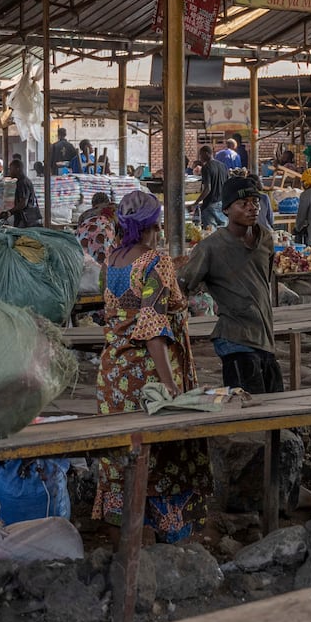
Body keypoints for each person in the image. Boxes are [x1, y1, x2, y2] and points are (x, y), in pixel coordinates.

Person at [93, 191, 211, 543]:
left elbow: (124, 305)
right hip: (148, 376)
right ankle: (169, 529)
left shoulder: (111, 260)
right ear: (154, 224)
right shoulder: (153, 263)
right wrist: (170, 387)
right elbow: (153, 329)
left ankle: (124, 527)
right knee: (163, 451)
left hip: (113, 377)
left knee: (122, 452)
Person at [178, 175, 282, 394]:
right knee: (249, 409)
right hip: (235, 340)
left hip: (264, 337)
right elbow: (182, 286)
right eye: (243, 204)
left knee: (275, 405)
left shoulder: (265, 239)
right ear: (226, 210)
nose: (252, 208)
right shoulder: (210, 248)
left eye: (255, 202)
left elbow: (265, 279)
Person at [75, 192, 118, 279]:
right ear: (108, 201)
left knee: (88, 263)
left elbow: (80, 230)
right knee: (105, 261)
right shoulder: (114, 210)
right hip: (105, 235)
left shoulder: (85, 214)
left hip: (85, 240)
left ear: (93, 204)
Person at [196, 146, 226, 229]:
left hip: (210, 204)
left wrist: (197, 202)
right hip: (222, 203)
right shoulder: (223, 166)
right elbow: (227, 184)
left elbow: (207, 188)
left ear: (206, 154)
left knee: (210, 233)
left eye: (200, 155)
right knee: (223, 232)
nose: (200, 158)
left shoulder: (206, 167)